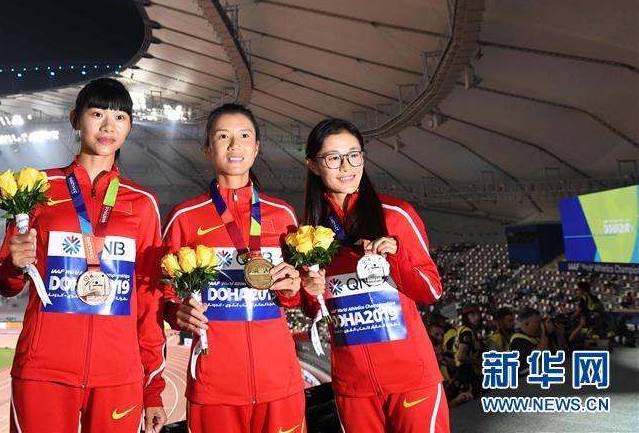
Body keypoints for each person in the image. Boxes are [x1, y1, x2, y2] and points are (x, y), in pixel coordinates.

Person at [0, 78, 167, 433]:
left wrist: (152, 388)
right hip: (44, 370)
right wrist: (13, 264)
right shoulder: (36, 190)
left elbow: (148, 302)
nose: (108, 126)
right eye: (97, 114)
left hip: (118, 375)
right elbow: (5, 284)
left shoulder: (142, 204)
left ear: (129, 127)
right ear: (75, 119)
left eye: (120, 117)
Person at [162, 103, 306, 433]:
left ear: (256, 148)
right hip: (215, 385)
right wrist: (175, 312)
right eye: (223, 136)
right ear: (207, 148)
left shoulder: (283, 215)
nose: (234, 145)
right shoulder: (185, 217)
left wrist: (293, 289)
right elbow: (160, 293)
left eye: (244, 136)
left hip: (279, 381)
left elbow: (293, 298)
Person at [298, 118, 448, 433]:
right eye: (333, 158)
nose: (346, 166)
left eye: (354, 155)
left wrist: (397, 258)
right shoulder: (308, 236)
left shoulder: (396, 215)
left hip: (411, 378)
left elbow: (431, 291)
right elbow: (314, 309)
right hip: (354, 388)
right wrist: (310, 290)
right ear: (313, 165)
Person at [454, 304, 484, 393]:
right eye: (473, 315)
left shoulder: (471, 331)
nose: (477, 317)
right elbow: (461, 356)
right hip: (467, 371)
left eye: (478, 314)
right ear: (466, 317)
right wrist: (478, 362)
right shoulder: (467, 332)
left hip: (470, 371)